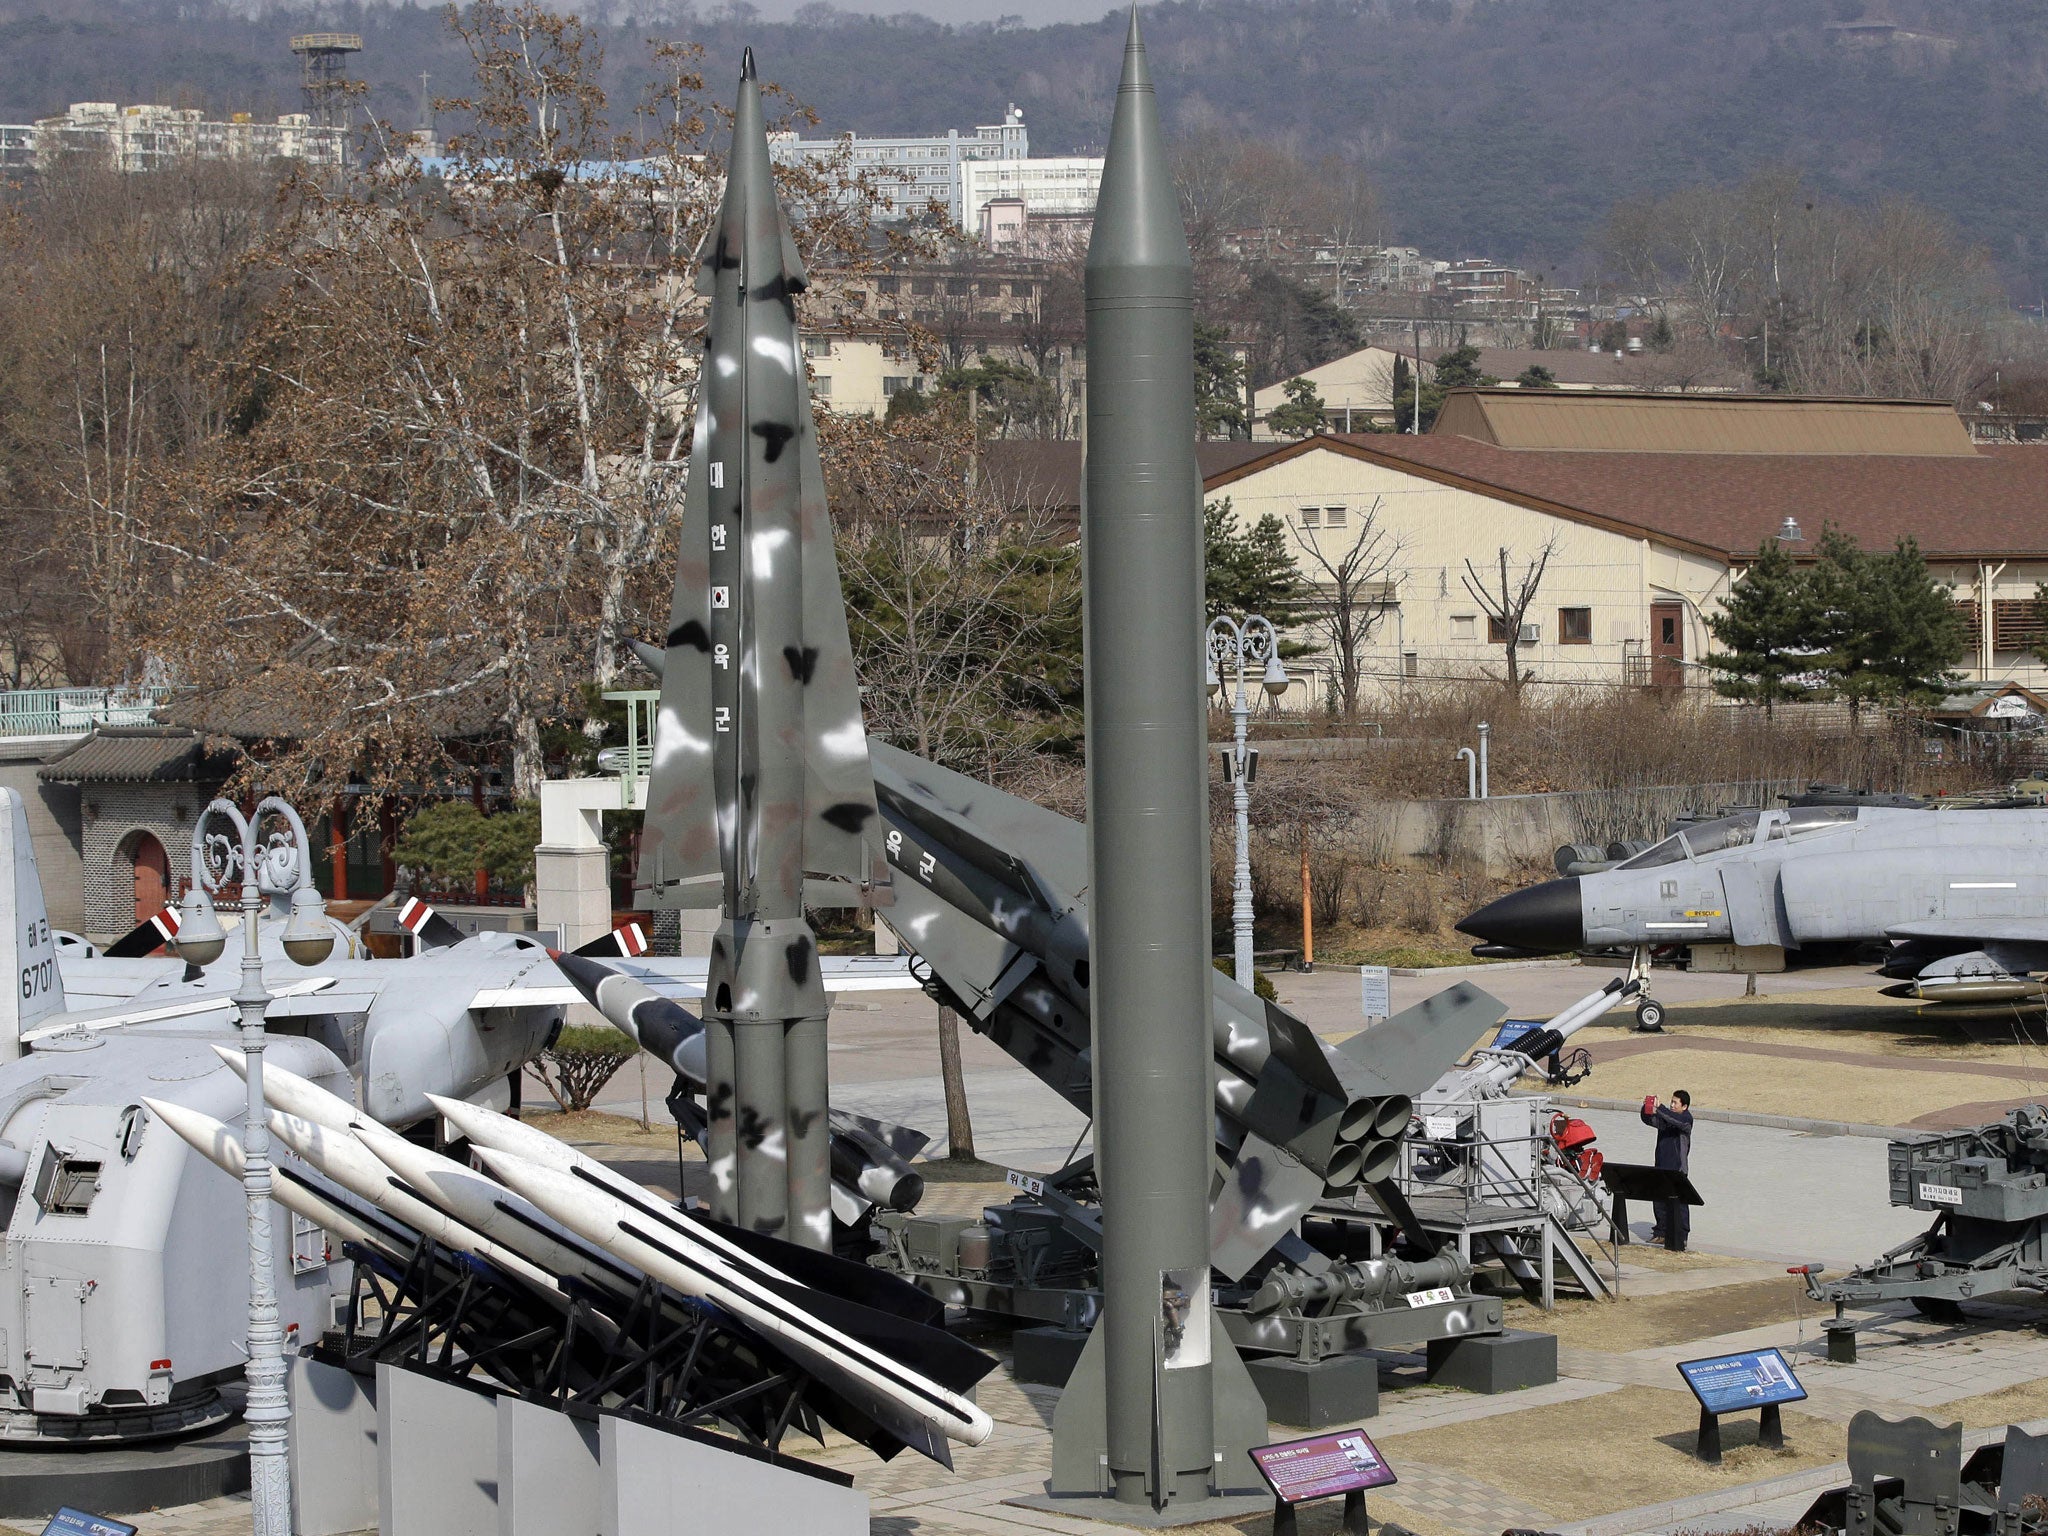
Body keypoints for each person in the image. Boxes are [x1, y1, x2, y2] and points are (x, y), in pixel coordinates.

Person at [1641, 1088, 1693, 1251]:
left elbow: (1675, 1120)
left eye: (1675, 1102)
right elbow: (1650, 1120)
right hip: (1661, 1165)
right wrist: (1646, 1108)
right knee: (1659, 1200)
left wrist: (1660, 1108)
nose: (1672, 1104)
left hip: (1677, 1168)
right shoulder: (1666, 1119)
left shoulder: (1686, 1119)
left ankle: (1681, 1236)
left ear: (1684, 1106)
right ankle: (1661, 1233)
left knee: (1680, 1202)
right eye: (1671, 1101)